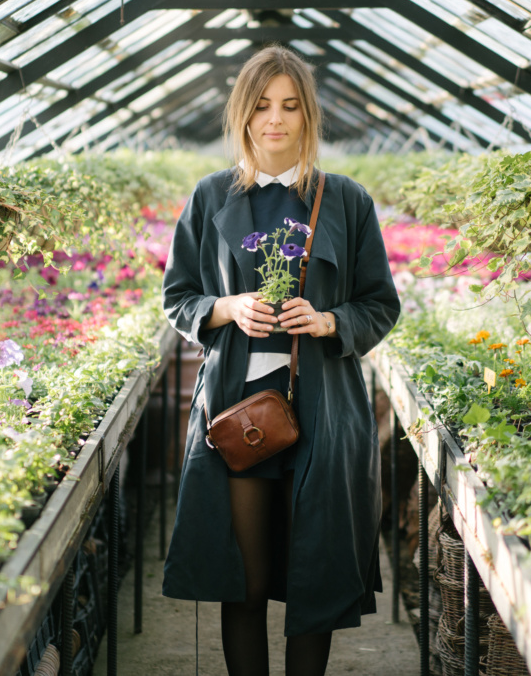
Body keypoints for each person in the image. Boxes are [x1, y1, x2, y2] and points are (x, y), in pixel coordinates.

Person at [161, 45, 401, 676]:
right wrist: (228, 307)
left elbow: (380, 303)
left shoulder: (344, 200)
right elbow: (178, 297)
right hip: (239, 412)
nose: (276, 119)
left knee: (313, 579)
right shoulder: (212, 197)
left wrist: (328, 320)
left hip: (324, 413)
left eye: (290, 106)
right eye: (263, 104)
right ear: (243, 113)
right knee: (242, 578)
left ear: (308, 116)